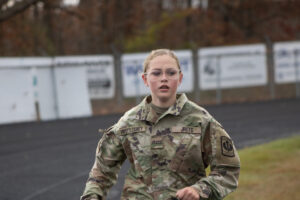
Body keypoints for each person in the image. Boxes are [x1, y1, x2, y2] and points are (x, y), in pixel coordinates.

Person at [80, 49, 240, 200]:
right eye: (156, 73)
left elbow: (228, 169)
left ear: (180, 78)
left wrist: (200, 190)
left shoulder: (201, 120)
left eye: (171, 73)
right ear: (145, 79)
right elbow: (101, 171)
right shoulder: (129, 121)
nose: (164, 78)